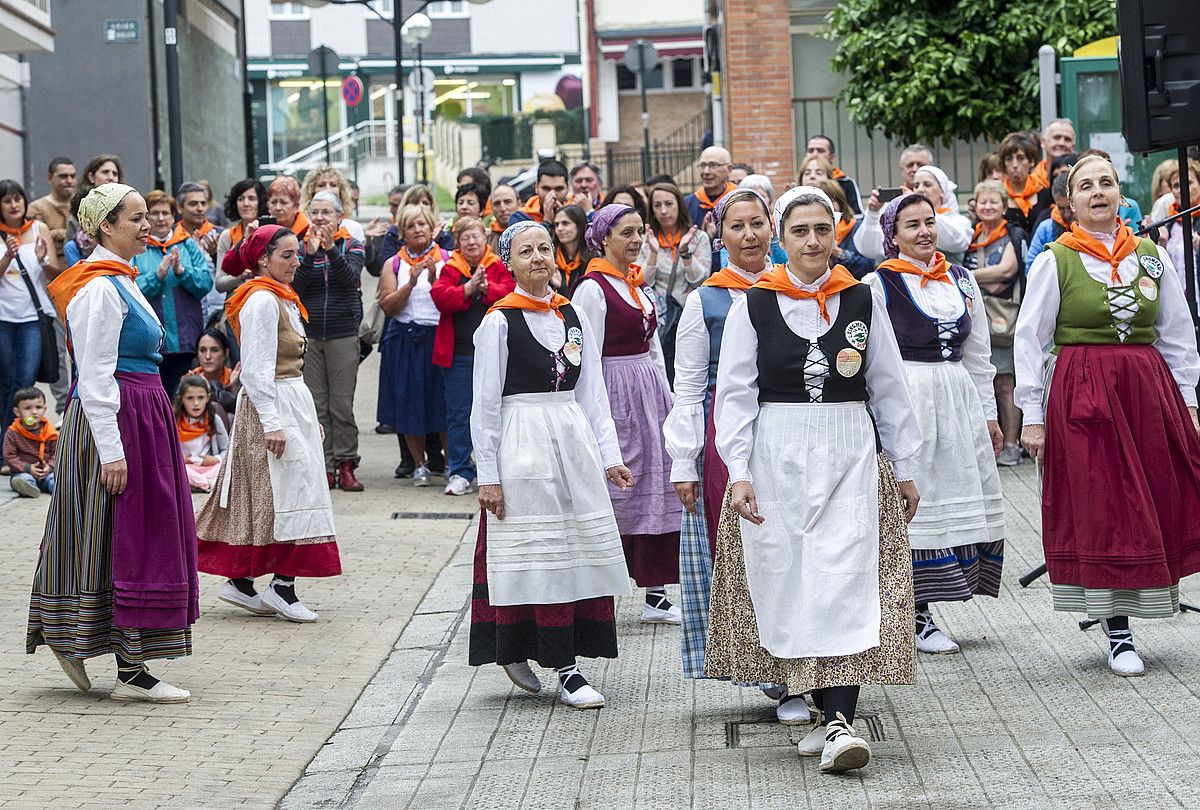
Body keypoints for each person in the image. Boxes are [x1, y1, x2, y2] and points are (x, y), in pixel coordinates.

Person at [708, 185, 922, 773]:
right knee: (794, 578)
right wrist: (739, 471)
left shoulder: (860, 298)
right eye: (799, 231)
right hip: (779, 451)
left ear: (838, 234)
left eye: (822, 230)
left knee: (846, 578)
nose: (812, 241)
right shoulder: (755, 305)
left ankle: (837, 722)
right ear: (780, 239)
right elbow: (734, 394)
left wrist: (904, 465)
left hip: (849, 449)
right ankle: (818, 708)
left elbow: (888, 384)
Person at [1016, 154, 1200, 677]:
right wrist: (1032, 414)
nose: (1098, 192)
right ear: (1069, 202)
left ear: (1121, 193)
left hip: (1145, 389)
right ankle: (1116, 627)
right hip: (1083, 390)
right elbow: (1030, 340)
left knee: (1150, 496)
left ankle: (1141, 604)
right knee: (1102, 501)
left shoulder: (1150, 256)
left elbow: (1178, 334)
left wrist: (1187, 402)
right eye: (1086, 186)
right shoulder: (1057, 259)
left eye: (1107, 183)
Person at [29, 182, 198, 703]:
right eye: (136, 218)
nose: (147, 225)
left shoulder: (121, 281)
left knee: (120, 532)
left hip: (140, 416)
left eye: (148, 216)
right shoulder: (100, 288)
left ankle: (106, 649)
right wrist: (113, 451)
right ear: (106, 225)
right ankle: (121, 660)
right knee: (115, 534)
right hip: (116, 421)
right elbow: (96, 377)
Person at [469, 220, 633, 709]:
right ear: (509, 262)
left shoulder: (573, 314)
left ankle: (561, 655)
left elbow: (593, 392)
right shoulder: (499, 321)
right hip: (525, 441)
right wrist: (489, 476)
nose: (538, 257)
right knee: (535, 553)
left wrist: (610, 457)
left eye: (544, 248)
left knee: (574, 548)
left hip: (571, 438)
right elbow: (485, 405)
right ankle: (562, 667)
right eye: (526, 251)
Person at [865, 193, 1005, 655]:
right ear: (893, 236)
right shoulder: (878, 285)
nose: (924, 231)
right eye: (912, 225)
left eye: (929, 221)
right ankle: (915, 613)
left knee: (948, 496)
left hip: (957, 398)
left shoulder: (961, 280)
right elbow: (872, 361)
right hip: (910, 397)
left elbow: (980, 356)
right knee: (915, 502)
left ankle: (924, 607)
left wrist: (989, 415)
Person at [195, 224, 341, 623]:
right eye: (287, 255)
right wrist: (273, 424)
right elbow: (257, 371)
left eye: (297, 254)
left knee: (268, 493)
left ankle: (241, 583)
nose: (296, 262)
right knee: (288, 493)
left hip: (289, 399)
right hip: (271, 402)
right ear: (263, 259)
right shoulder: (261, 300)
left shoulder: (282, 298)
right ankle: (283, 585)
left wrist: (307, 418)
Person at [663, 189, 771, 690]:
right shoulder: (704, 300)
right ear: (719, 237)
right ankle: (762, 667)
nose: (749, 235)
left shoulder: (795, 289)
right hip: (724, 434)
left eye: (758, 223)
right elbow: (687, 385)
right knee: (741, 547)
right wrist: (684, 461)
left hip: (790, 427)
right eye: (737, 226)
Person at [572, 205, 683, 623]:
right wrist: (597, 411)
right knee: (620, 487)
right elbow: (588, 358)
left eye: (640, 232)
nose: (636, 240)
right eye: (626, 233)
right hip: (614, 391)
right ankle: (602, 590)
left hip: (647, 388)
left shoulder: (637, 284)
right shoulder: (594, 288)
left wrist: (666, 395)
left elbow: (653, 345)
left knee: (653, 485)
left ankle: (655, 591)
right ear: (603, 238)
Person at [431, 216, 514, 497]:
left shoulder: (498, 266)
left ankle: (496, 469)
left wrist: (487, 288)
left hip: (495, 356)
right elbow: (440, 298)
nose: (471, 241)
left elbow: (510, 295)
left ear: (486, 237)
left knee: (498, 411)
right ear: (458, 242)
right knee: (458, 415)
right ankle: (460, 470)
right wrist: (467, 288)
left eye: (476, 236)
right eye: (465, 237)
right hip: (459, 356)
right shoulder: (451, 268)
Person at [293, 190, 366, 491]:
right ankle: (323, 466)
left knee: (341, 405)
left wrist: (330, 249)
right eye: (316, 212)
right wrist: (310, 255)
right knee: (316, 405)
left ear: (339, 217)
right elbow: (297, 286)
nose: (320, 218)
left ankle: (346, 464)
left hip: (343, 333)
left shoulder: (353, 244)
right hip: (310, 334)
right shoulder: (298, 247)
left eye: (327, 212)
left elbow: (350, 279)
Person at [378, 204, 449, 486]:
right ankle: (418, 464)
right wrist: (411, 282)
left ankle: (449, 462)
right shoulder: (393, 263)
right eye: (411, 226)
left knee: (443, 404)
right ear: (403, 232)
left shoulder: (448, 258)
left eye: (423, 224)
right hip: (406, 339)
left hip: (439, 338)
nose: (418, 229)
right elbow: (389, 306)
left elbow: (453, 300)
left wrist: (433, 279)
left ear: (432, 228)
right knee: (410, 403)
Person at [133, 189, 213, 396]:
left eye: (165, 213)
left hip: (184, 340)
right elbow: (132, 290)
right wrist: (157, 275)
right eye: (154, 213)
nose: (161, 219)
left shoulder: (187, 245)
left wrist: (181, 271)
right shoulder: (137, 247)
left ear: (173, 216)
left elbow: (205, 283)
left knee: (183, 397)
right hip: (150, 342)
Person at [969, 180, 1025, 467]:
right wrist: (988, 277)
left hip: (1003, 318)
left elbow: (1007, 270)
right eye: (983, 202)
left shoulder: (1012, 234)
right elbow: (995, 276)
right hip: (974, 317)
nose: (987, 207)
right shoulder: (971, 236)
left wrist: (965, 276)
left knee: (1005, 383)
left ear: (1004, 207)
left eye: (994, 202)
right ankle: (985, 446)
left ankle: (1012, 445)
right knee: (979, 383)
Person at [0, 179, 57, 430]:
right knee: (6, 380)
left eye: (18, 199)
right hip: (3, 317)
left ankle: (18, 442)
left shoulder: (39, 229)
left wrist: (43, 260)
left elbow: (55, 273)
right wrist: (8, 256)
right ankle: (7, 446)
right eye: (7, 200)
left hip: (32, 318)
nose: (14, 205)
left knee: (25, 380)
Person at [642, 182, 712, 381]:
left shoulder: (698, 238)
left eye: (669, 204)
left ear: (679, 205)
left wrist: (685, 252)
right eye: (657, 206)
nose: (663, 211)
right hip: (658, 317)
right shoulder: (646, 240)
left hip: (688, 314)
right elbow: (642, 281)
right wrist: (654, 254)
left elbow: (700, 279)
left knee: (689, 370)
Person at [28, 158, 76, 416]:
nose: (68, 180)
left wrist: (56, 233)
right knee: (58, 352)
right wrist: (64, 234)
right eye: (62, 176)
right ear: (50, 178)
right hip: (51, 286)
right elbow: (35, 239)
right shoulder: (38, 208)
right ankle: (62, 409)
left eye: (72, 175)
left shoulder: (79, 205)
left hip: (78, 284)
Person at [855, 166, 972, 263]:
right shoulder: (900, 221)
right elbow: (869, 250)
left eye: (927, 184)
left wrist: (922, 210)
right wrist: (873, 214)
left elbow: (957, 241)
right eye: (916, 186)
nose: (920, 189)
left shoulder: (959, 221)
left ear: (943, 191)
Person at [174, 374, 229, 493]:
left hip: (208, 466)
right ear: (181, 399)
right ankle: (206, 484)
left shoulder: (214, 419)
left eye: (200, 397)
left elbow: (227, 450)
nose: (196, 403)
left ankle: (198, 484)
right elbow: (165, 453)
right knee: (178, 470)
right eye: (190, 398)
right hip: (187, 467)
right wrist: (179, 458)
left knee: (224, 468)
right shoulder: (174, 421)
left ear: (208, 397)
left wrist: (216, 459)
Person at [815, 179, 874, 279]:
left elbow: (868, 266)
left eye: (832, 201)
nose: (828, 206)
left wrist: (839, 253)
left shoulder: (857, 227)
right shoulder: (811, 233)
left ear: (840, 202)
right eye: (822, 202)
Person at [4, 386, 57, 497]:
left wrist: (50, 467)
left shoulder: (50, 431)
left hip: (47, 472)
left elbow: (56, 453)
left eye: (38, 407)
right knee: (23, 479)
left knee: (54, 479)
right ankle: (28, 488)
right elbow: (9, 456)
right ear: (17, 412)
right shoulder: (12, 432)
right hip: (23, 471)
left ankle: (57, 489)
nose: (34, 412)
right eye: (27, 408)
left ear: (44, 409)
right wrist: (28, 468)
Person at [1159, 159, 1200, 292]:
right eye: (1176, 185)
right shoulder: (1168, 224)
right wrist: (1160, 246)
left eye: (1188, 183)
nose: (1182, 189)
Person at [214, 178, 267, 280]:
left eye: (251, 199)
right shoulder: (227, 236)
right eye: (240, 199)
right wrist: (241, 276)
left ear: (260, 203)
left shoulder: (271, 234)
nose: (246, 204)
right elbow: (219, 283)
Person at [1000, 132, 1051, 234]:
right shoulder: (998, 194)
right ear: (1004, 164)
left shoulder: (1045, 194)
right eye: (1009, 159)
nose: (1014, 165)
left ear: (1031, 161)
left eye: (1021, 158)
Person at [300, 165, 366, 242]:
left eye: (333, 185)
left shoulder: (353, 227)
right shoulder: (303, 226)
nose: (328, 189)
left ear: (341, 191)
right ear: (311, 191)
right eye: (321, 185)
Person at [684, 146, 736, 241]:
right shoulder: (687, 204)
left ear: (729, 169)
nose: (706, 171)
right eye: (702, 165)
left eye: (713, 165)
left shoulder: (739, 201)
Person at [1025, 173, 1073, 273]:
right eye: (1061, 208)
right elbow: (1031, 267)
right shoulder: (1045, 228)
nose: (1067, 214)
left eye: (1070, 207)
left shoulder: (1090, 226)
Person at [806, 134, 864, 213]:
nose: (814, 154)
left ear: (832, 157)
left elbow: (858, 215)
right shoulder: (797, 187)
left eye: (820, 150)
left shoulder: (846, 183)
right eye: (811, 150)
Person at [191, 327, 240, 417]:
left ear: (226, 353)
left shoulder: (236, 379)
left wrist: (232, 388)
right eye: (202, 350)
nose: (208, 356)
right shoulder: (189, 380)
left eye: (214, 350)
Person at [509, 160, 570, 225]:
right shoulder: (521, 217)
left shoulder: (575, 215)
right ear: (536, 187)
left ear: (567, 188)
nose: (553, 195)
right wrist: (547, 221)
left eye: (558, 189)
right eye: (546, 189)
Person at [175, 182, 222, 264]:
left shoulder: (220, 235)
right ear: (179, 208)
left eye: (203, 203)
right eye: (193, 204)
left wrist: (214, 254)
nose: (200, 208)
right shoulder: (171, 236)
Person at [551, 204, 593, 297]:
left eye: (565, 223)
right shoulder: (551, 258)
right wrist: (559, 287)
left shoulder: (593, 259)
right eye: (556, 224)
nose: (559, 229)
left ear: (579, 225)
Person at [1032, 119, 1076, 188]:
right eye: (1057, 138)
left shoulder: (1080, 177)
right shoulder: (1031, 180)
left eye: (1067, 139)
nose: (1062, 143)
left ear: (1073, 147)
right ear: (1043, 142)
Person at [487, 184, 519, 251]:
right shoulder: (486, 240)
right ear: (491, 208)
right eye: (497, 203)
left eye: (507, 202)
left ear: (518, 204)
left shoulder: (533, 233)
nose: (503, 208)